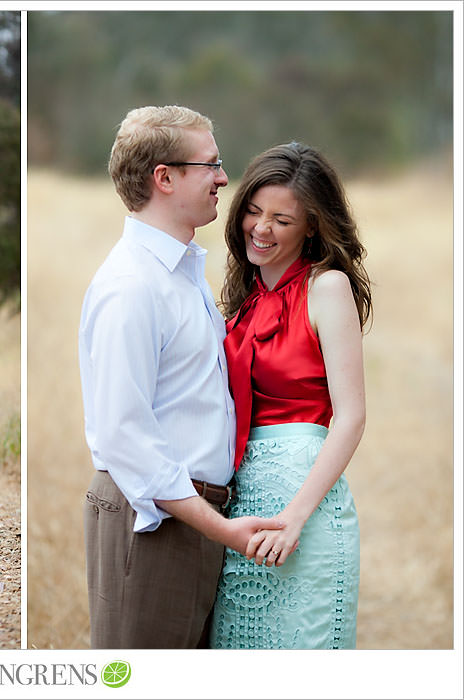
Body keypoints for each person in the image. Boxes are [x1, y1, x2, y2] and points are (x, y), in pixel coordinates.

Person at [79, 105, 286, 648]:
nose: (223, 177)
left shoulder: (183, 272)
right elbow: (125, 432)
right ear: (164, 178)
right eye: (210, 165)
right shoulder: (132, 285)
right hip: (155, 521)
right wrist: (219, 528)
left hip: (190, 516)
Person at [209, 142, 372, 649]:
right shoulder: (243, 301)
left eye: (281, 219)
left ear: (312, 226)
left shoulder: (327, 287)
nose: (261, 229)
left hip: (304, 504)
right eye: (254, 212)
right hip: (241, 511)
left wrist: (295, 518)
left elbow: (351, 417)